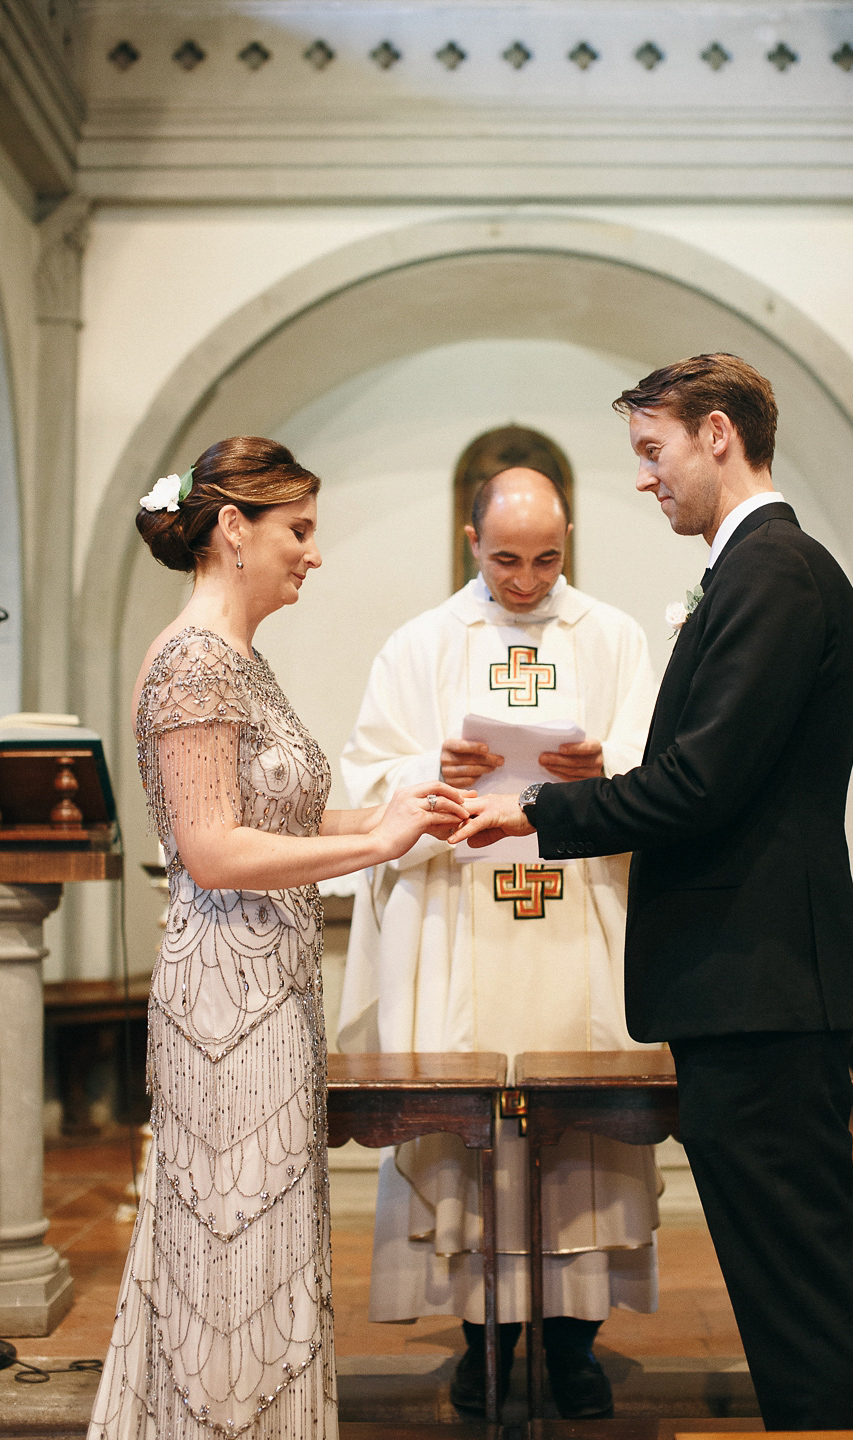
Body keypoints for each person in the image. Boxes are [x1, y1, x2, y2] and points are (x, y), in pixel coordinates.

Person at [449, 355, 853, 1431]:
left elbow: (703, 782)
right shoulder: (756, 572)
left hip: (764, 988)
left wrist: (539, 816)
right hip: (753, 988)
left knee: (799, 1292)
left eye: (654, 451)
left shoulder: (773, 573)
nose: (646, 480)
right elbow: (716, 774)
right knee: (787, 1288)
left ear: (719, 434)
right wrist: (602, 792)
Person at [87, 438, 468, 1440]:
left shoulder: (241, 663)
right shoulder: (192, 664)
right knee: (228, 1254)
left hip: (271, 993)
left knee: (266, 1249)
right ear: (232, 529)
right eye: (298, 530)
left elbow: (278, 822)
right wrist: (376, 842)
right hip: (223, 1005)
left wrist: (399, 810)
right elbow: (211, 851)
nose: (312, 553)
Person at [338, 466, 662, 1419]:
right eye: (508, 559)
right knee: (475, 1135)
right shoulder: (419, 645)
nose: (527, 581)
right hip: (462, 912)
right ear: (470, 539)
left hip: (579, 914)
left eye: (548, 559)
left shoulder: (614, 637)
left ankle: (575, 1347)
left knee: (584, 1136)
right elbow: (369, 773)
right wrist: (429, 766)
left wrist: (604, 767)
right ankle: (486, 1341)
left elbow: (659, 766)